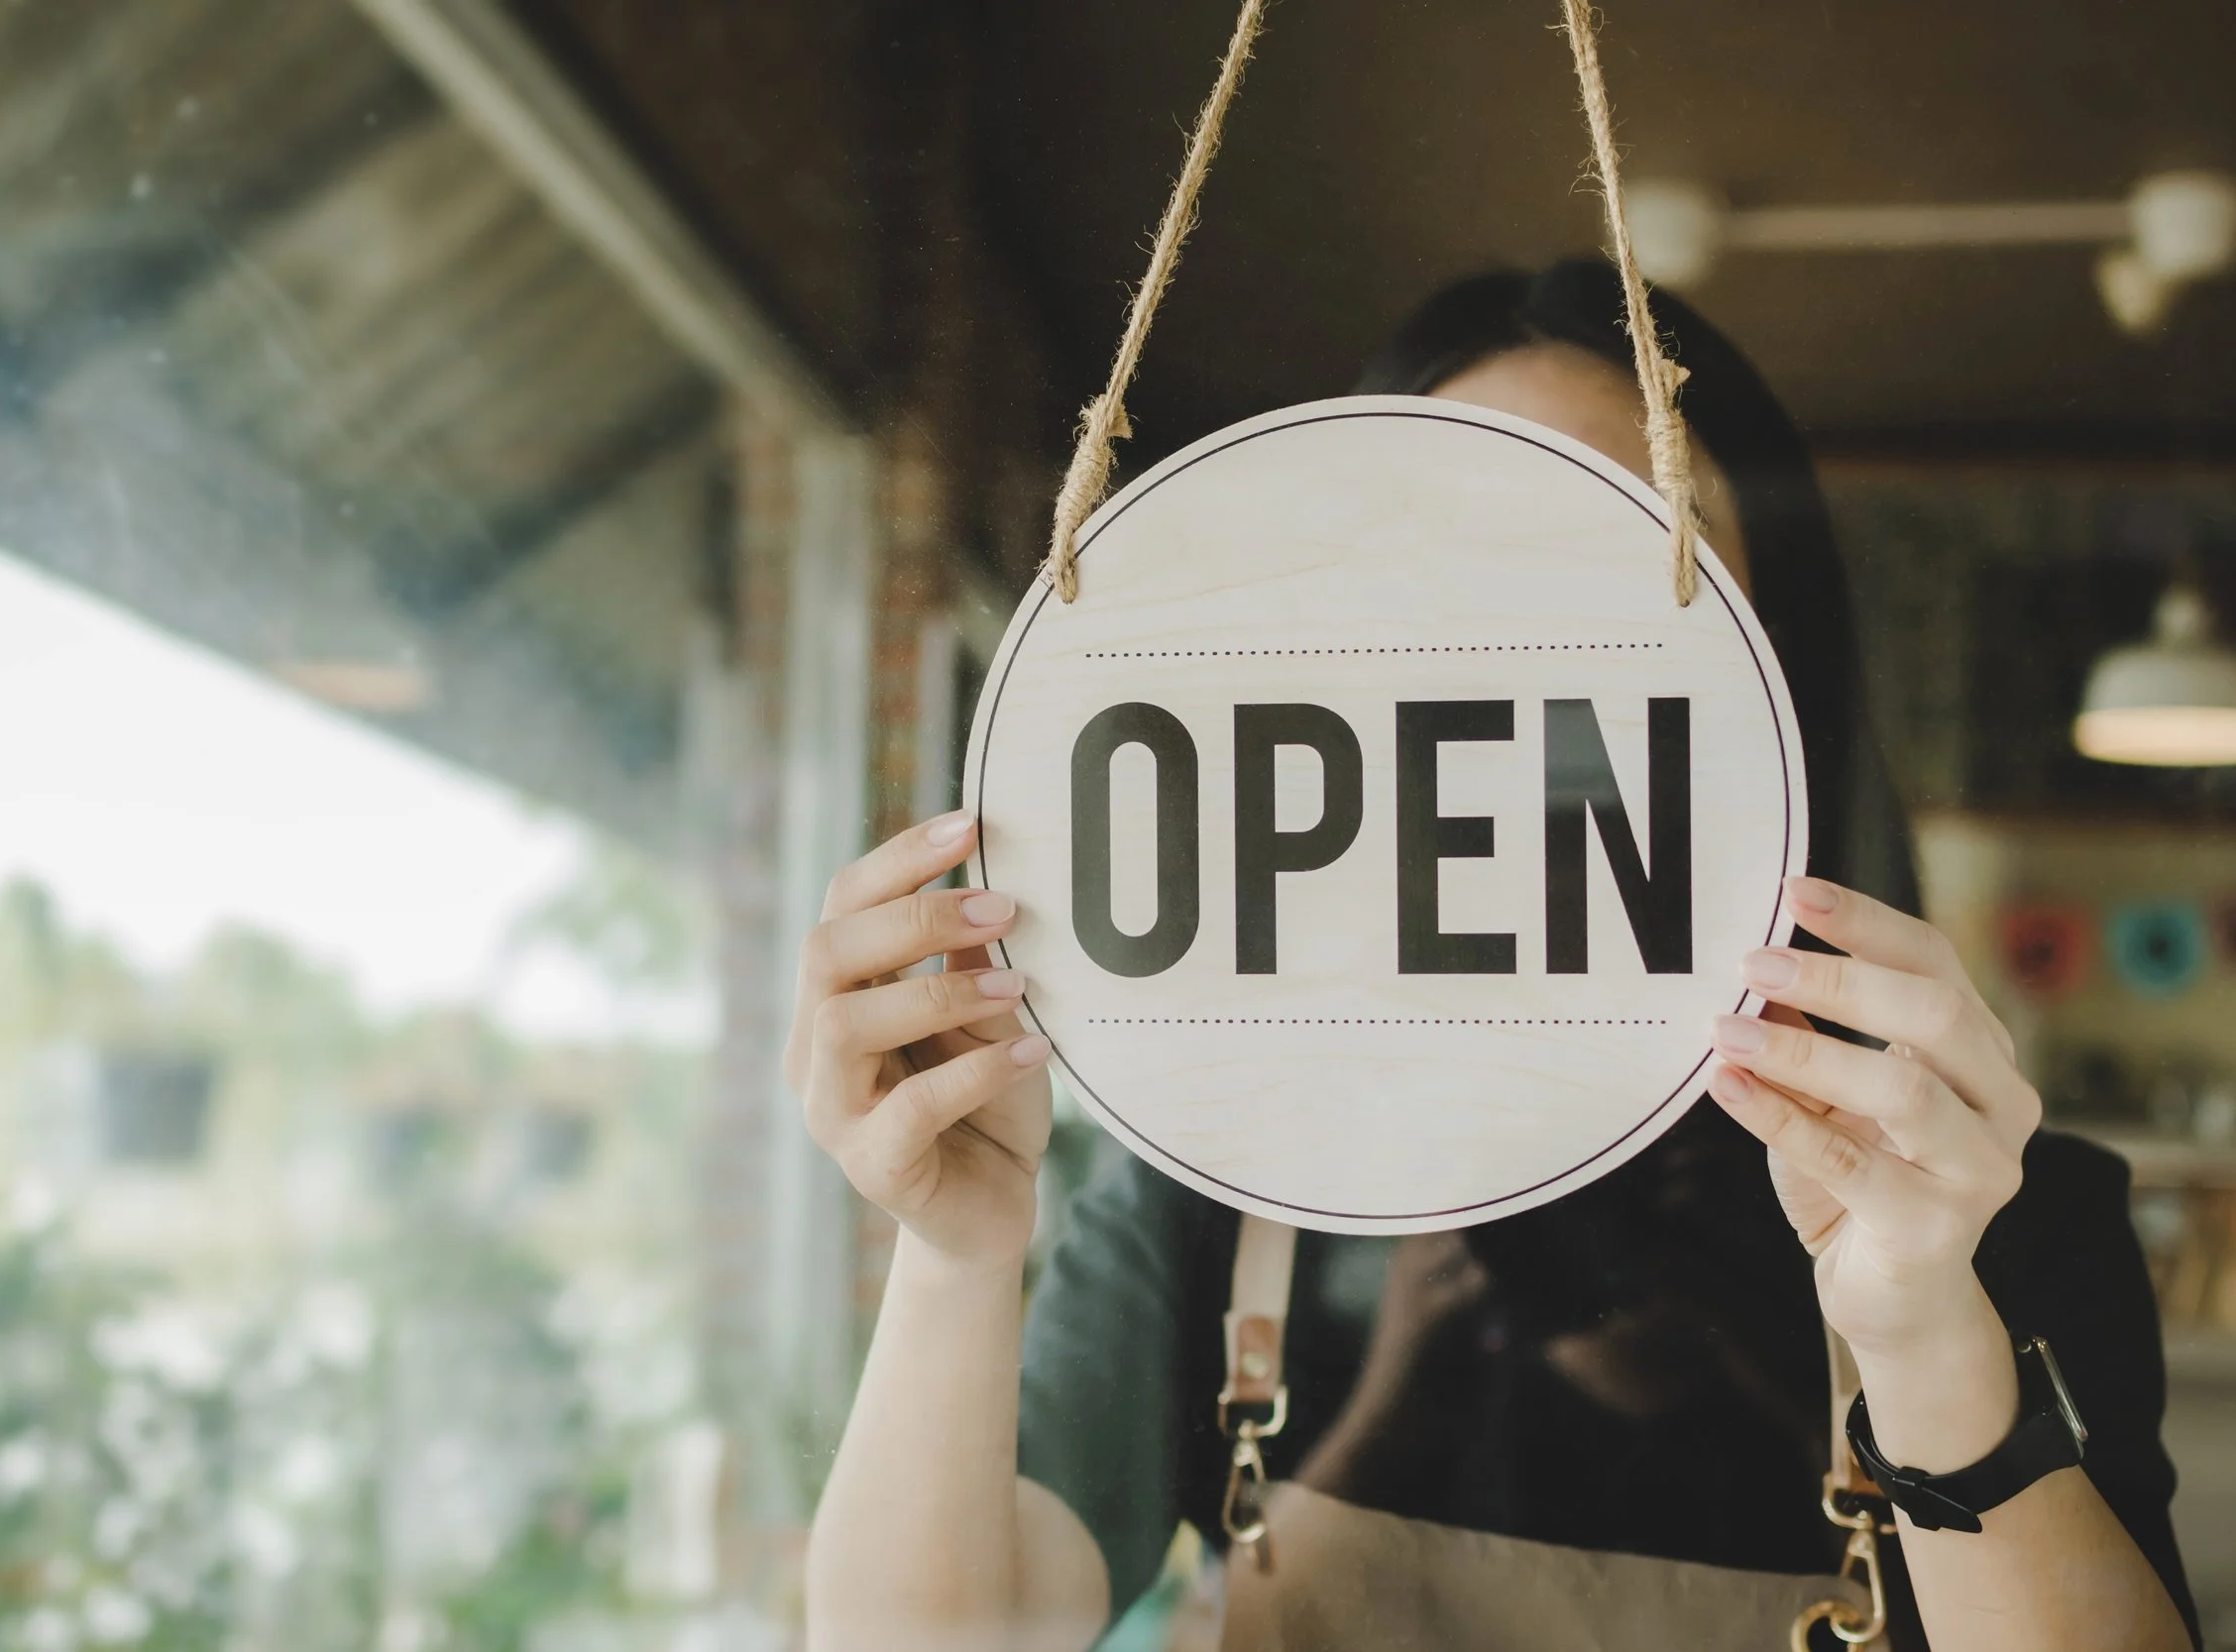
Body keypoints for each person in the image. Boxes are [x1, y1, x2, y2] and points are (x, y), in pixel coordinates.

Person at [787, 261, 2200, 1650]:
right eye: (1455, 535)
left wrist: (1924, 1338)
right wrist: (955, 1256)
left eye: (1627, 539)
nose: (1534, 627)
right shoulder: (1220, 1168)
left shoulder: (1981, 1195)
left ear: (1775, 651)